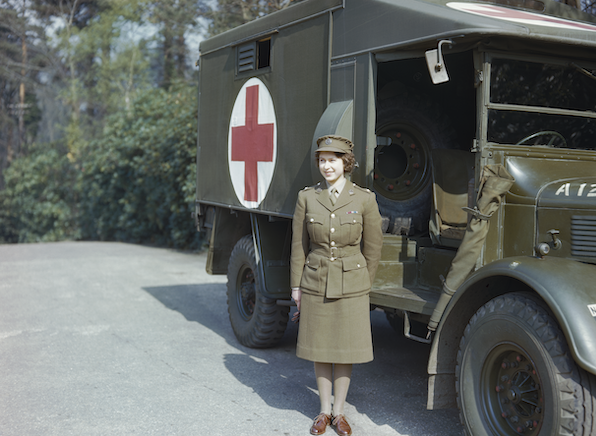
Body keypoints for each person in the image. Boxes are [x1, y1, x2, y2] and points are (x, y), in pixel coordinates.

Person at [290, 135, 383, 436]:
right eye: (322, 160)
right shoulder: (307, 197)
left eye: (332, 160)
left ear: (346, 163)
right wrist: (296, 287)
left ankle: (339, 413)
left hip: (351, 282)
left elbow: (374, 247)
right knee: (321, 347)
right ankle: (323, 411)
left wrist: (363, 283)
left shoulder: (364, 199)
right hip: (316, 279)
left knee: (345, 349)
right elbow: (298, 246)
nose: (326, 166)